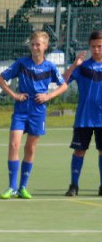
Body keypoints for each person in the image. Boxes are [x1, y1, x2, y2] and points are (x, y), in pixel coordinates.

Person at [0, 31, 68, 199]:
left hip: (38, 112)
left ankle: (22, 187)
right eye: (32, 44)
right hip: (20, 111)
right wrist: (14, 95)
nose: (35, 47)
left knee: (30, 148)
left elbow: (64, 86)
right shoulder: (21, 63)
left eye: (38, 44)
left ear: (45, 46)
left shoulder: (50, 67)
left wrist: (48, 96)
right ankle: (12, 187)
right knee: (14, 145)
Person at [62, 29, 102, 197]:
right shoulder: (83, 67)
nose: (97, 50)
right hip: (84, 118)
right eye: (94, 46)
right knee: (79, 151)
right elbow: (63, 80)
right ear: (89, 47)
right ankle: (74, 185)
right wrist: (74, 65)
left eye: (100, 46)